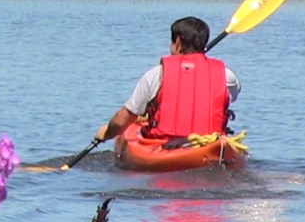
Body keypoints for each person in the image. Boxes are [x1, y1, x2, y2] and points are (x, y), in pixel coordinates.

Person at [96, 16, 240, 144]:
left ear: (177, 42)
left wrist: (107, 133)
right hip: (209, 143)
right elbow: (226, 97)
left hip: (165, 145)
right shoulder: (226, 76)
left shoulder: (155, 75)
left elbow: (122, 120)